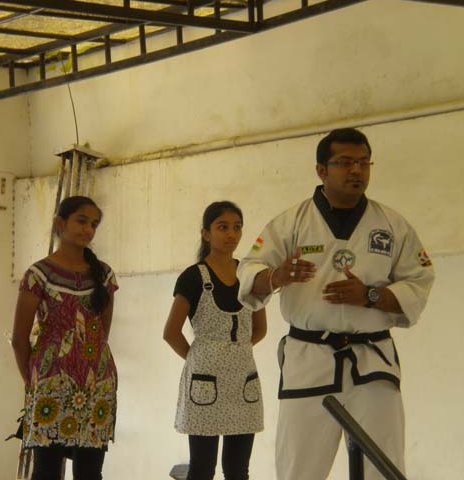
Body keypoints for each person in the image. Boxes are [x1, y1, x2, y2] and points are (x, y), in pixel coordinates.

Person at [237, 128, 435, 480]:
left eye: (363, 162)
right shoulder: (290, 223)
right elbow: (249, 270)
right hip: (309, 360)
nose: (356, 170)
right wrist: (276, 276)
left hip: (372, 363)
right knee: (298, 468)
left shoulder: (392, 225)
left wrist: (371, 296)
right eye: (344, 162)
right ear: (321, 170)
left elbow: (418, 281)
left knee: (382, 466)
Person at [12, 195, 118, 480]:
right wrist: (34, 380)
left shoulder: (104, 275)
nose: (88, 229)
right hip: (50, 383)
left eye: (93, 224)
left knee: (90, 472)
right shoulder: (38, 274)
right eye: (81, 221)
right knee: (46, 471)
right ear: (60, 223)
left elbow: (102, 334)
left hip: (97, 384)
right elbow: (19, 339)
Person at [164, 201, 266, 480]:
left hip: (243, 380)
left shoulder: (249, 274)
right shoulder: (192, 277)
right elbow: (170, 332)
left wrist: (235, 352)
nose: (231, 234)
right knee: (202, 470)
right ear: (206, 233)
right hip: (204, 382)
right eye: (223, 227)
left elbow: (260, 329)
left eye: (237, 227)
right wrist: (200, 357)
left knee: (238, 471)